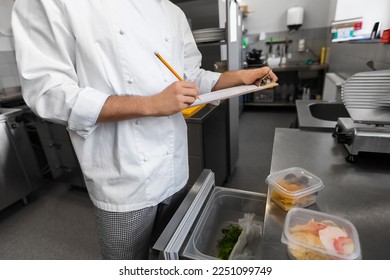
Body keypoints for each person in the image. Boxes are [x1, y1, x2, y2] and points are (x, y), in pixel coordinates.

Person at [12, 0, 277, 260]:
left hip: (175, 169)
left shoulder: (171, 11)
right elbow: (48, 93)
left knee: (170, 255)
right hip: (124, 180)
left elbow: (190, 77)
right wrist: (151, 104)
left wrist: (240, 77)